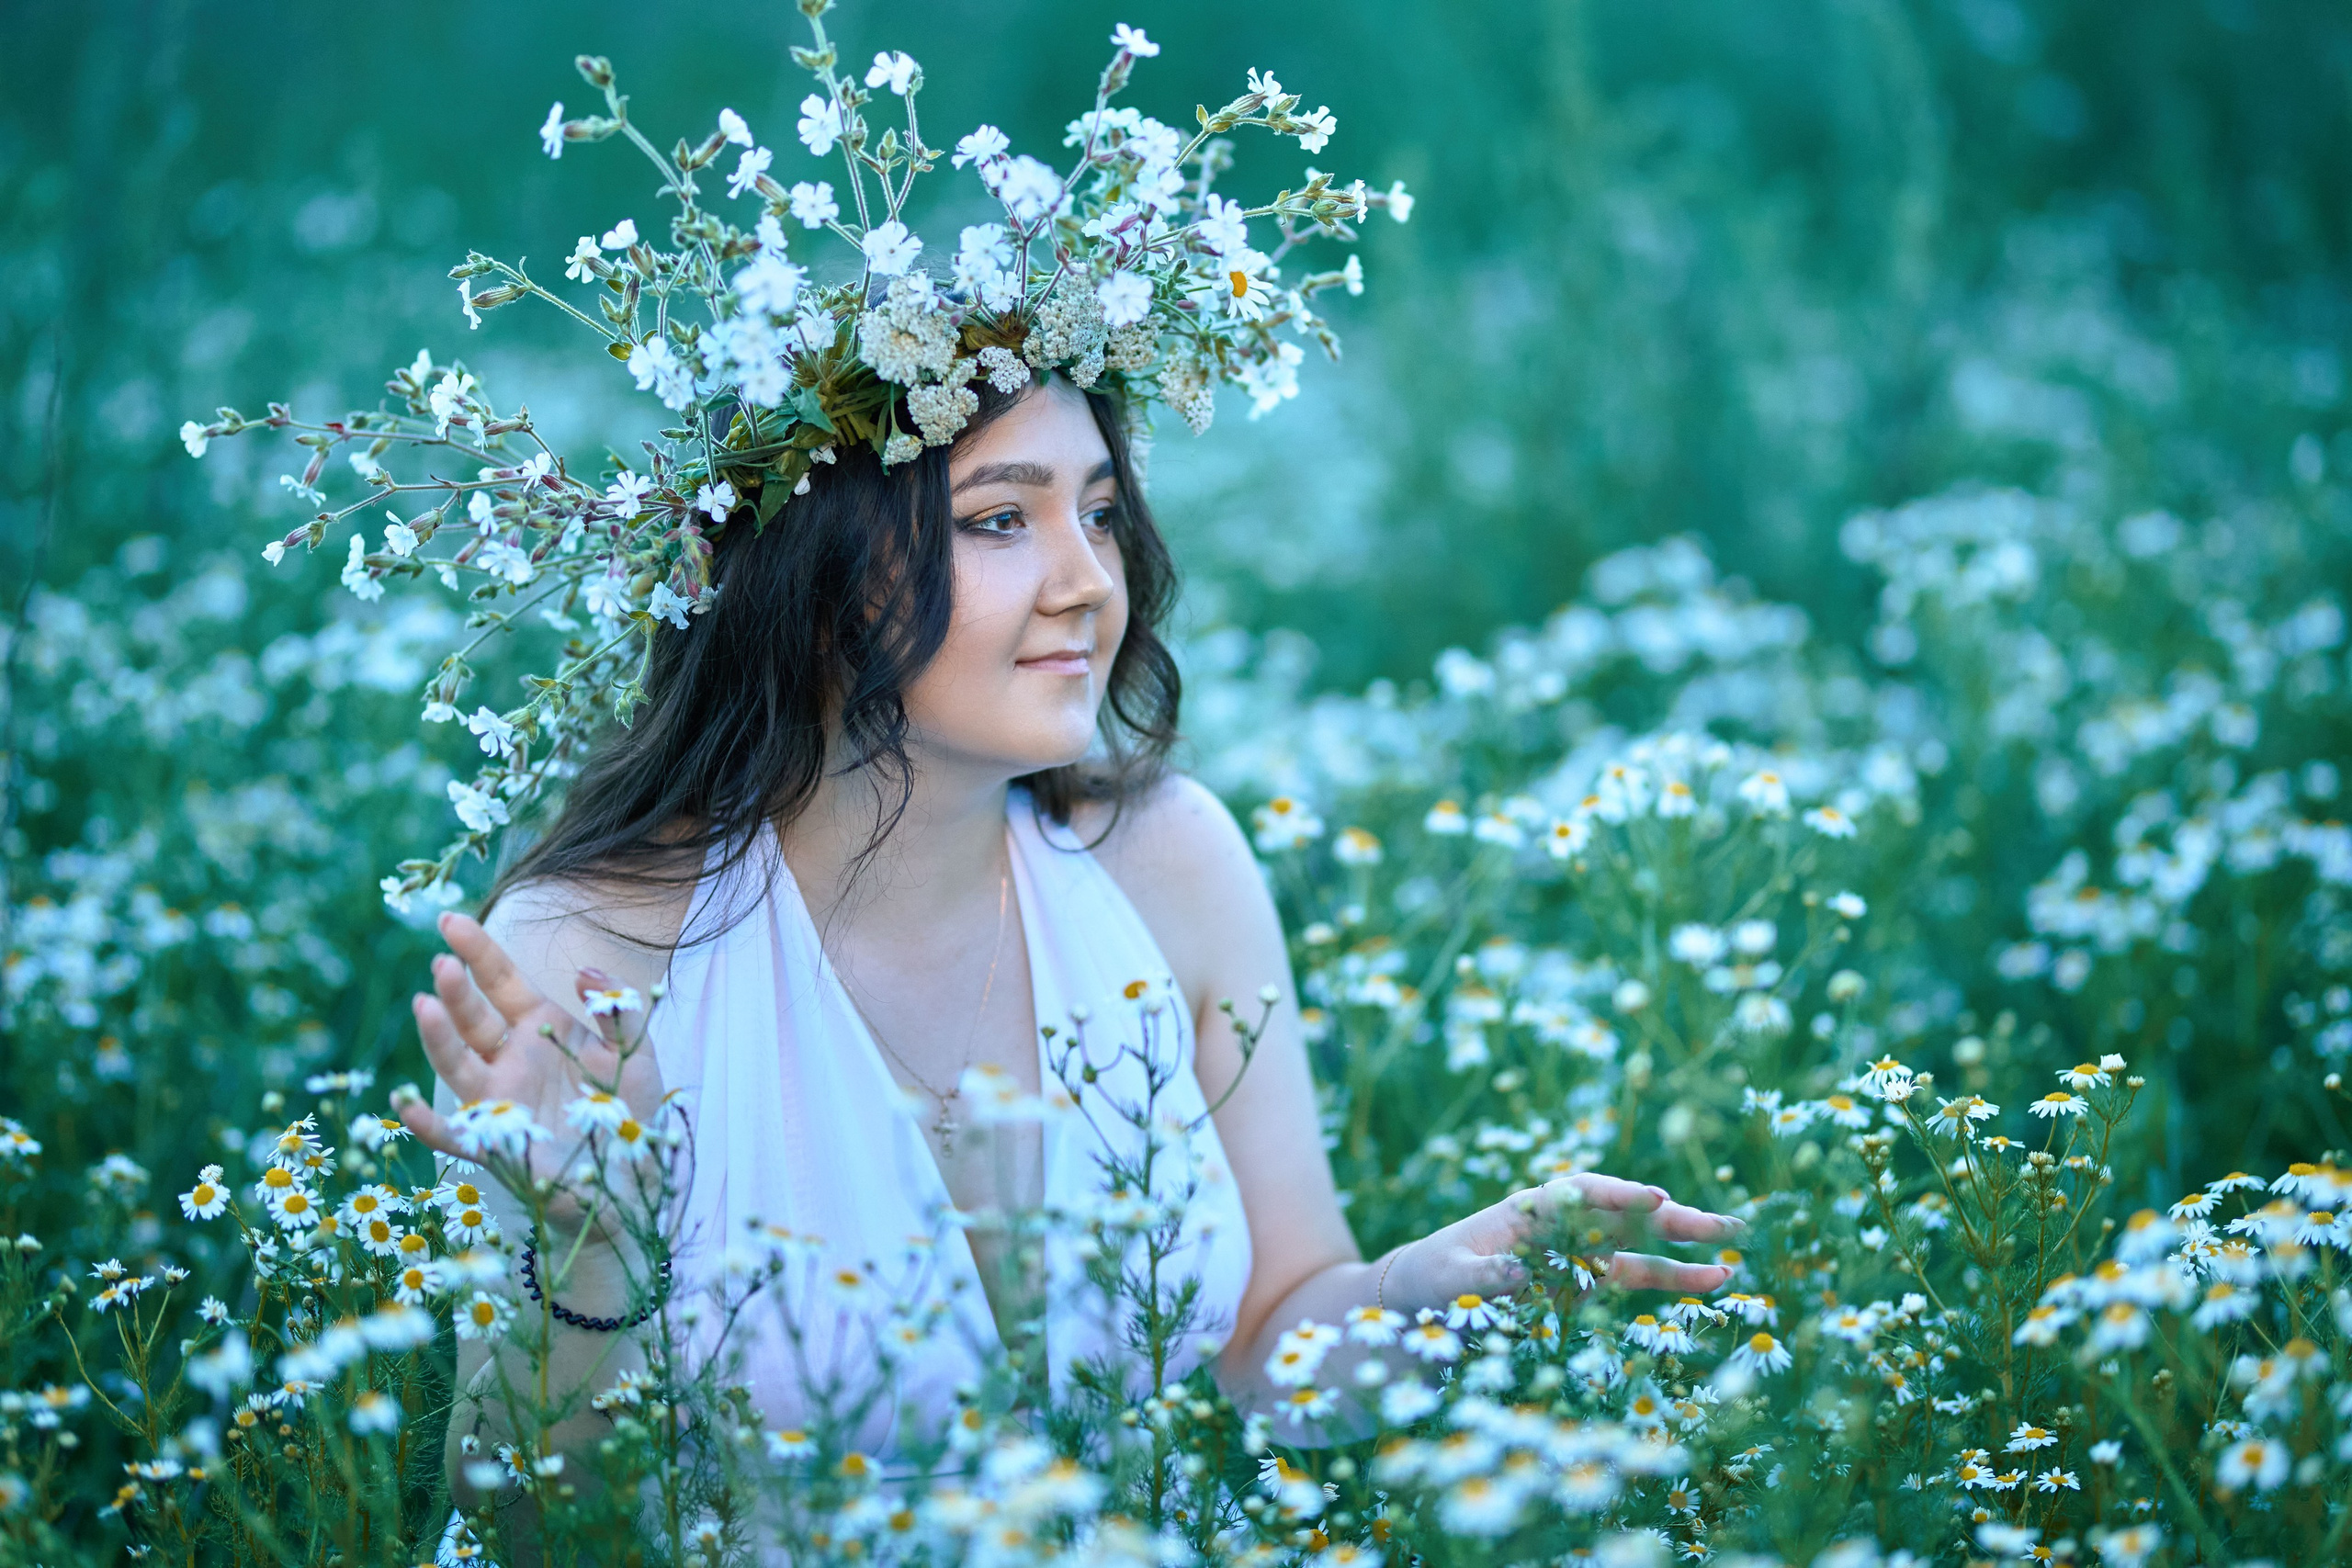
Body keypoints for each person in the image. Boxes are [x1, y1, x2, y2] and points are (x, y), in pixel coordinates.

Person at [392, 371, 1741, 1498]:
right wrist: (585, 1246)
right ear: (806, 578)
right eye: (998, 520)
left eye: (1099, 512)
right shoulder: (596, 955)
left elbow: (1274, 1341)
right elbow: (527, 1525)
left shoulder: (1169, 864)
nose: (1088, 582)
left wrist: (1432, 1287)